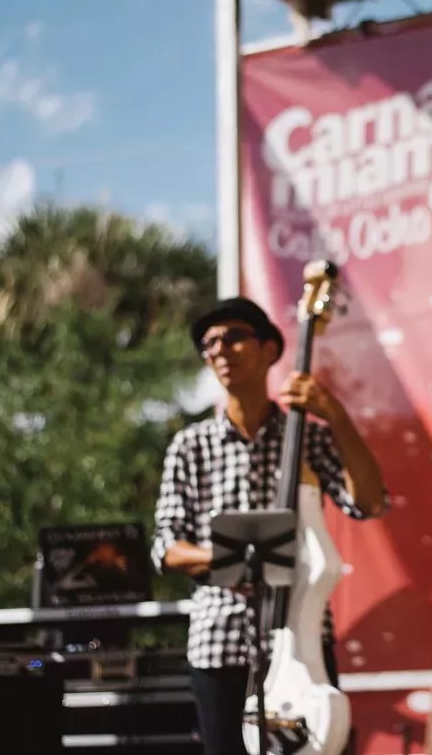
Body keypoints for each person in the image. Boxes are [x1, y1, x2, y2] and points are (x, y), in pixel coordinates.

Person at [152, 296, 388, 755]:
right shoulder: (190, 445)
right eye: (209, 343)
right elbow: (165, 546)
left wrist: (335, 414)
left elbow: (369, 502)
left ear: (269, 350)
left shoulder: (306, 435)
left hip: (301, 632)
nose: (219, 349)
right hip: (219, 635)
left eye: (234, 337)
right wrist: (233, 558)